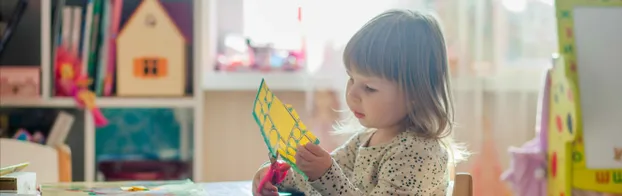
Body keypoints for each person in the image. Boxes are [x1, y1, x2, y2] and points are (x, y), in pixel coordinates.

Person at [252, 9, 468, 196]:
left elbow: (330, 180)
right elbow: (319, 182)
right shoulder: (365, 140)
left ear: (415, 93)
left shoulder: (419, 153)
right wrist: (275, 174)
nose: (351, 93)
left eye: (369, 88)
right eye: (351, 78)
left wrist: (325, 174)